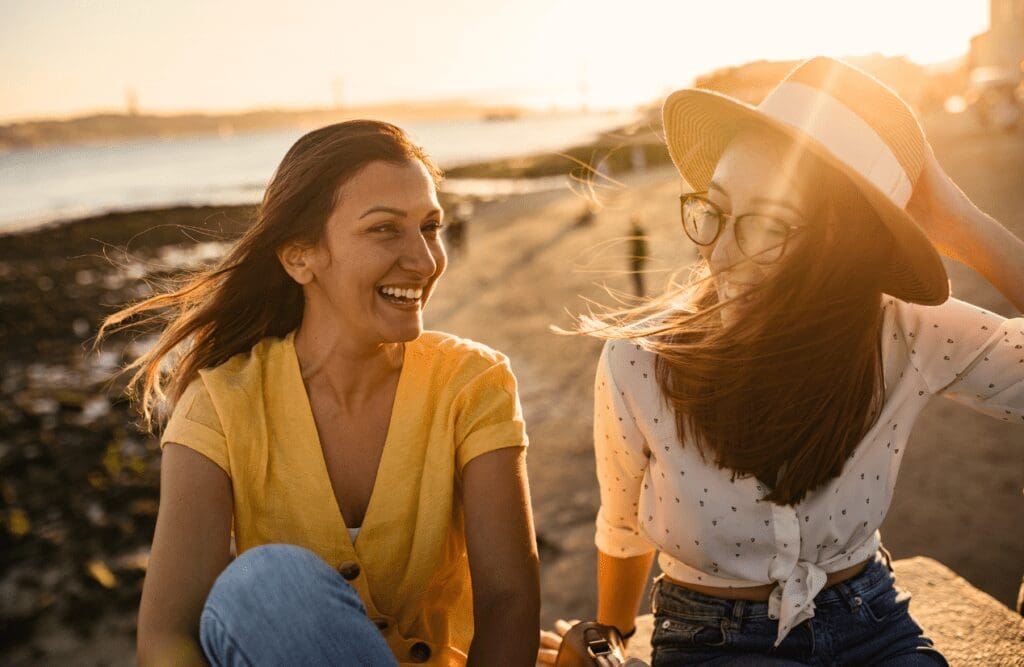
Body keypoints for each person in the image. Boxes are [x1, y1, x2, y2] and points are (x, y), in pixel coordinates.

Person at [540, 57, 1023, 665]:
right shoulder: (640, 360)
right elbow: (623, 524)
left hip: (873, 623)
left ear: (839, 242)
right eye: (713, 209)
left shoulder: (906, 333)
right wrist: (611, 637)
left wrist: (962, 223)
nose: (717, 250)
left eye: (766, 225)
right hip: (708, 639)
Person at [99, 120, 540, 666]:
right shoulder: (221, 402)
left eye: (430, 226)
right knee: (264, 588)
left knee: (262, 582)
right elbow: (167, 636)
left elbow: (509, 601)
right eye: (385, 229)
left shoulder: (472, 383)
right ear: (299, 256)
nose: (425, 261)